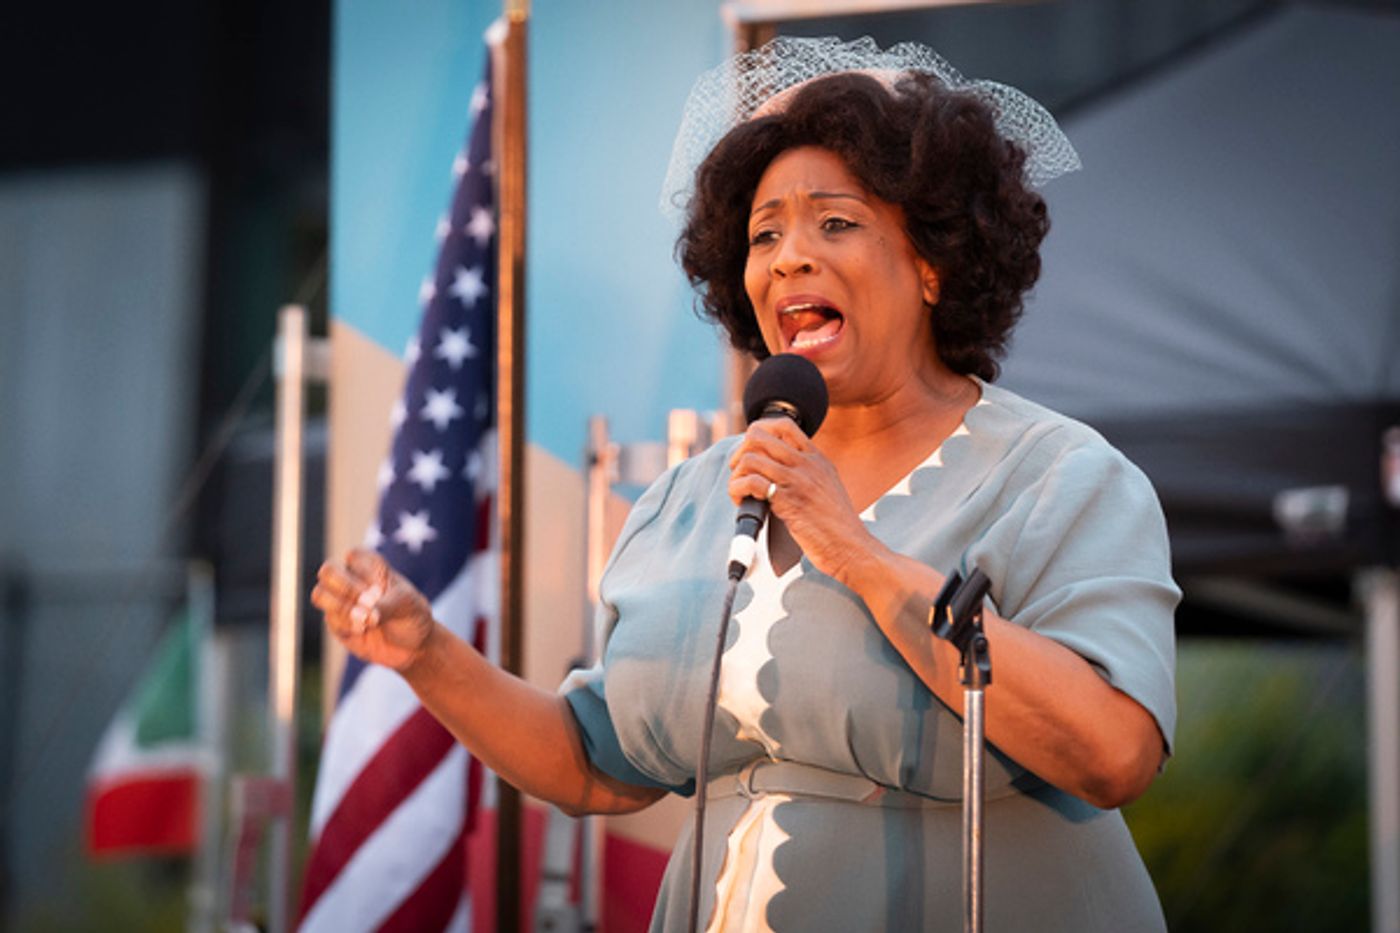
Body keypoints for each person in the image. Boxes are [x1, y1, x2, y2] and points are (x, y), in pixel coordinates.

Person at [313, 37, 1178, 932]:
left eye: (835, 223)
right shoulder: (691, 499)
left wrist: (857, 552)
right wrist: (428, 654)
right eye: (765, 234)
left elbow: (1114, 752)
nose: (789, 257)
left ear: (933, 261)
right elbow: (592, 759)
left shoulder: (1057, 475)